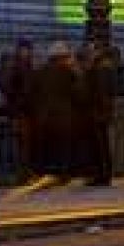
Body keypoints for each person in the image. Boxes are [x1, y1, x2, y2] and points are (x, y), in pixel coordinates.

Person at [29, 42, 83, 184]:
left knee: (45, 147)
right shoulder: (67, 72)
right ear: (63, 57)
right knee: (63, 148)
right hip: (63, 117)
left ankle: (42, 173)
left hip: (43, 117)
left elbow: (33, 94)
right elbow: (78, 93)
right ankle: (63, 175)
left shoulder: (40, 71)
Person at [81, 43, 122, 186]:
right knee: (102, 145)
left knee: (99, 147)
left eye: (91, 51)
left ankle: (101, 176)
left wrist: (100, 111)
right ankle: (102, 175)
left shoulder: (100, 69)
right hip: (101, 113)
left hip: (97, 113)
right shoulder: (105, 68)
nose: (89, 54)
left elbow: (100, 92)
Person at [0, 39, 37, 182]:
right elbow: (24, 88)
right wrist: (22, 100)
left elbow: (6, 87)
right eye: (28, 50)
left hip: (18, 110)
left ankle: (23, 173)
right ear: (22, 50)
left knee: (22, 143)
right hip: (22, 111)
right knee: (24, 143)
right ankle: (24, 173)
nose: (30, 53)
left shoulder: (17, 65)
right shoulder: (21, 66)